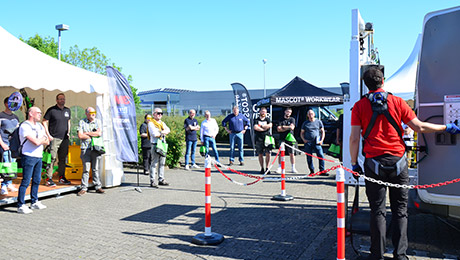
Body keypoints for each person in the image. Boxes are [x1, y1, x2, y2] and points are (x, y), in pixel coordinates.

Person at [349, 67, 460, 260]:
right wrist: (447, 127)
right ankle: (400, 255)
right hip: (398, 163)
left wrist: (354, 164)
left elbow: (353, 139)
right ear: (383, 81)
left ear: (366, 85)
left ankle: (377, 255)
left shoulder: (359, 106)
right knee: (400, 210)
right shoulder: (398, 102)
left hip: (373, 163)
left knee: (377, 210)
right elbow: (419, 127)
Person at [17, 107, 49, 214]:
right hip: (28, 156)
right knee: (26, 180)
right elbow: (35, 141)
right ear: (31, 113)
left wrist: (40, 140)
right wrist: (41, 140)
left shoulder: (40, 125)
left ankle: (34, 201)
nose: (40, 115)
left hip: (38, 156)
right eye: (38, 113)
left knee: (37, 179)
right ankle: (21, 204)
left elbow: (47, 140)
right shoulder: (25, 126)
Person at [43, 93, 71, 186]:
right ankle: (48, 178)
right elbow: (44, 121)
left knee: (63, 159)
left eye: (63, 99)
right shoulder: (51, 110)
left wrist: (68, 132)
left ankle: (61, 177)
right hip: (54, 138)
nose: (62, 100)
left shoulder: (67, 110)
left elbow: (68, 122)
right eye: (60, 99)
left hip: (64, 138)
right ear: (57, 100)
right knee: (52, 159)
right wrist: (48, 134)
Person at [76, 107, 104, 196]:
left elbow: (99, 134)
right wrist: (93, 135)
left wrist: (87, 133)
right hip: (85, 148)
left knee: (95, 168)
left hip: (96, 148)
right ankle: (84, 188)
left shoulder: (98, 121)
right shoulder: (82, 122)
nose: (93, 114)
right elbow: (80, 136)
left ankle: (97, 186)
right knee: (86, 169)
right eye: (91, 112)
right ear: (86, 113)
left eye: (94, 112)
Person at [0, 97, 19, 195]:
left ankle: (9, 183)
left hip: (14, 145)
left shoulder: (15, 117)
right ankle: (3, 185)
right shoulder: (1, 115)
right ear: (6, 104)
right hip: (4, 143)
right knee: (6, 164)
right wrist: (2, 143)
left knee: (12, 164)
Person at [148, 108, 170, 188]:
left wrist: (161, 132)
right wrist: (163, 132)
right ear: (154, 114)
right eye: (158, 113)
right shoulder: (151, 123)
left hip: (162, 144)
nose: (160, 115)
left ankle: (161, 179)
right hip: (155, 144)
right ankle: (152, 180)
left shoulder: (162, 123)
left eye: (161, 113)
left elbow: (168, 130)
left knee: (162, 163)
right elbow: (154, 134)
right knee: (154, 163)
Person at [300, 109, 327, 176]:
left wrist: (321, 140)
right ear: (307, 115)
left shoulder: (318, 122)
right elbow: (302, 133)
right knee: (309, 158)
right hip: (308, 143)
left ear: (314, 114)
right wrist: (304, 140)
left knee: (321, 156)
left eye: (312, 114)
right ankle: (312, 171)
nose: (310, 115)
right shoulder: (305, 123)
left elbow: (322, 131)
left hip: (317, 142)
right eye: (309, 114)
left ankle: (322, 170)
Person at [276, 107, 297, 173]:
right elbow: (278, 129)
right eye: (287, 111)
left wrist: (283, 127)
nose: (288, 113)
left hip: (290, 138)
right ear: (285, 112)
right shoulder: (280, 119)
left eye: (290, 112)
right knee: (281, 153)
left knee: (292, 153)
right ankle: (280, 167)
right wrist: (287, 127)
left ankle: (293, 167)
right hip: (282, 138)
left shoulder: (292, 119)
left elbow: (292, 127)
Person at [254, 107, 272, 174]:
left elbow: (270, 125)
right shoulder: (256, 119)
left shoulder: (268, 119)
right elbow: (256, 127)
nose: (263, 113)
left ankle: (267, 167)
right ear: (260, 112)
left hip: (267, 138)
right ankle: (262, 168)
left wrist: (261, 127)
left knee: (268, 153)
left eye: (265, 111)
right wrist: (264, 129)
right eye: (262, 111)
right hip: (259, 139)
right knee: (260, 154)